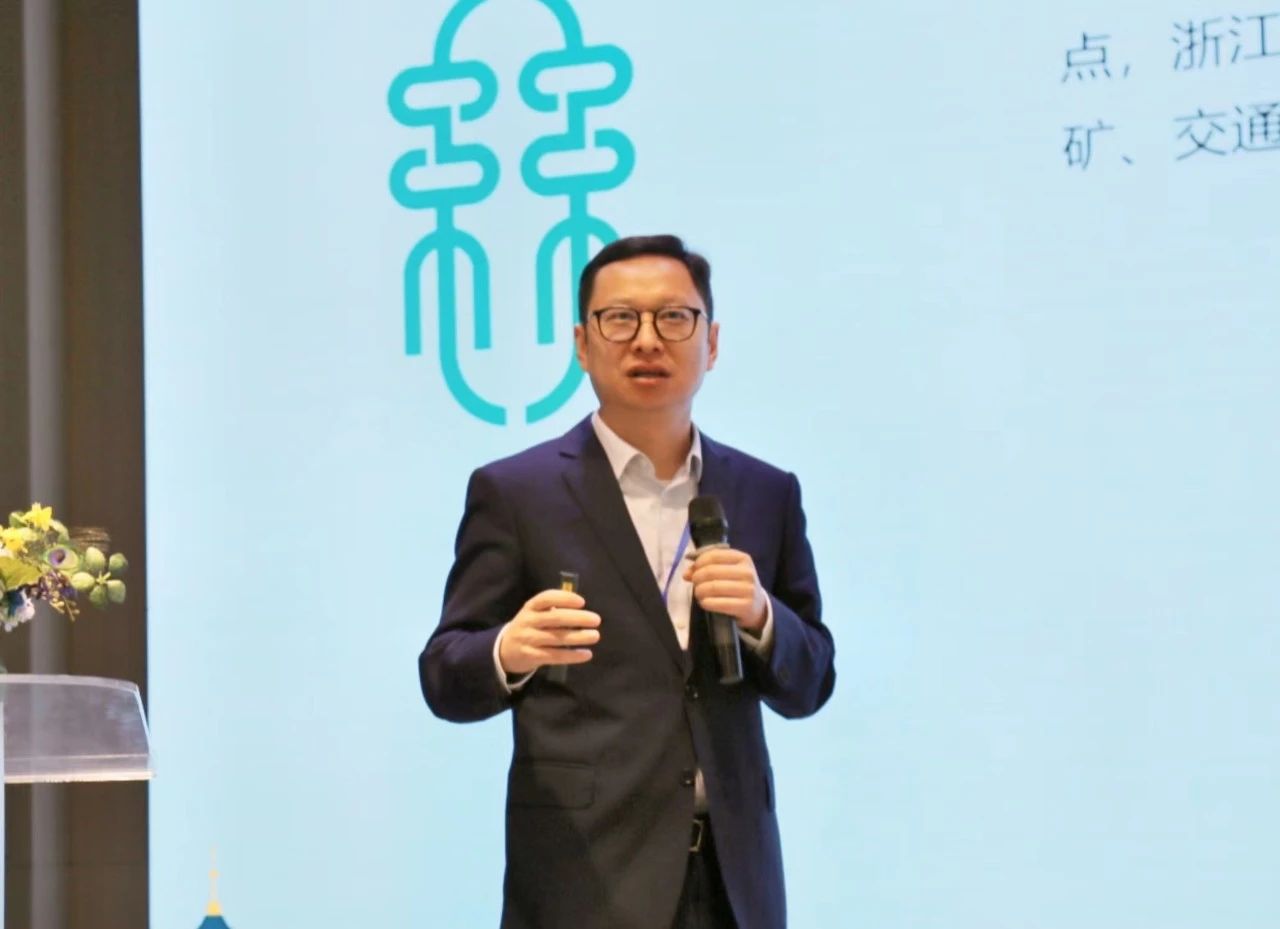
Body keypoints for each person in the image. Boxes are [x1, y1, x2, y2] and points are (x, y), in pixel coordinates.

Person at [420, 234, 836, 929]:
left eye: (674, 317)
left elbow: (812, 681)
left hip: (735, 883)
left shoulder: (766, 492)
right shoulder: (516, 493)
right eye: (620, 319)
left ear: (712, 343)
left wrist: (763, 617)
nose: (647, 339)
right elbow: (443, 674)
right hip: (584, 881)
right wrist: (508, 650)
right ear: (583, 345)